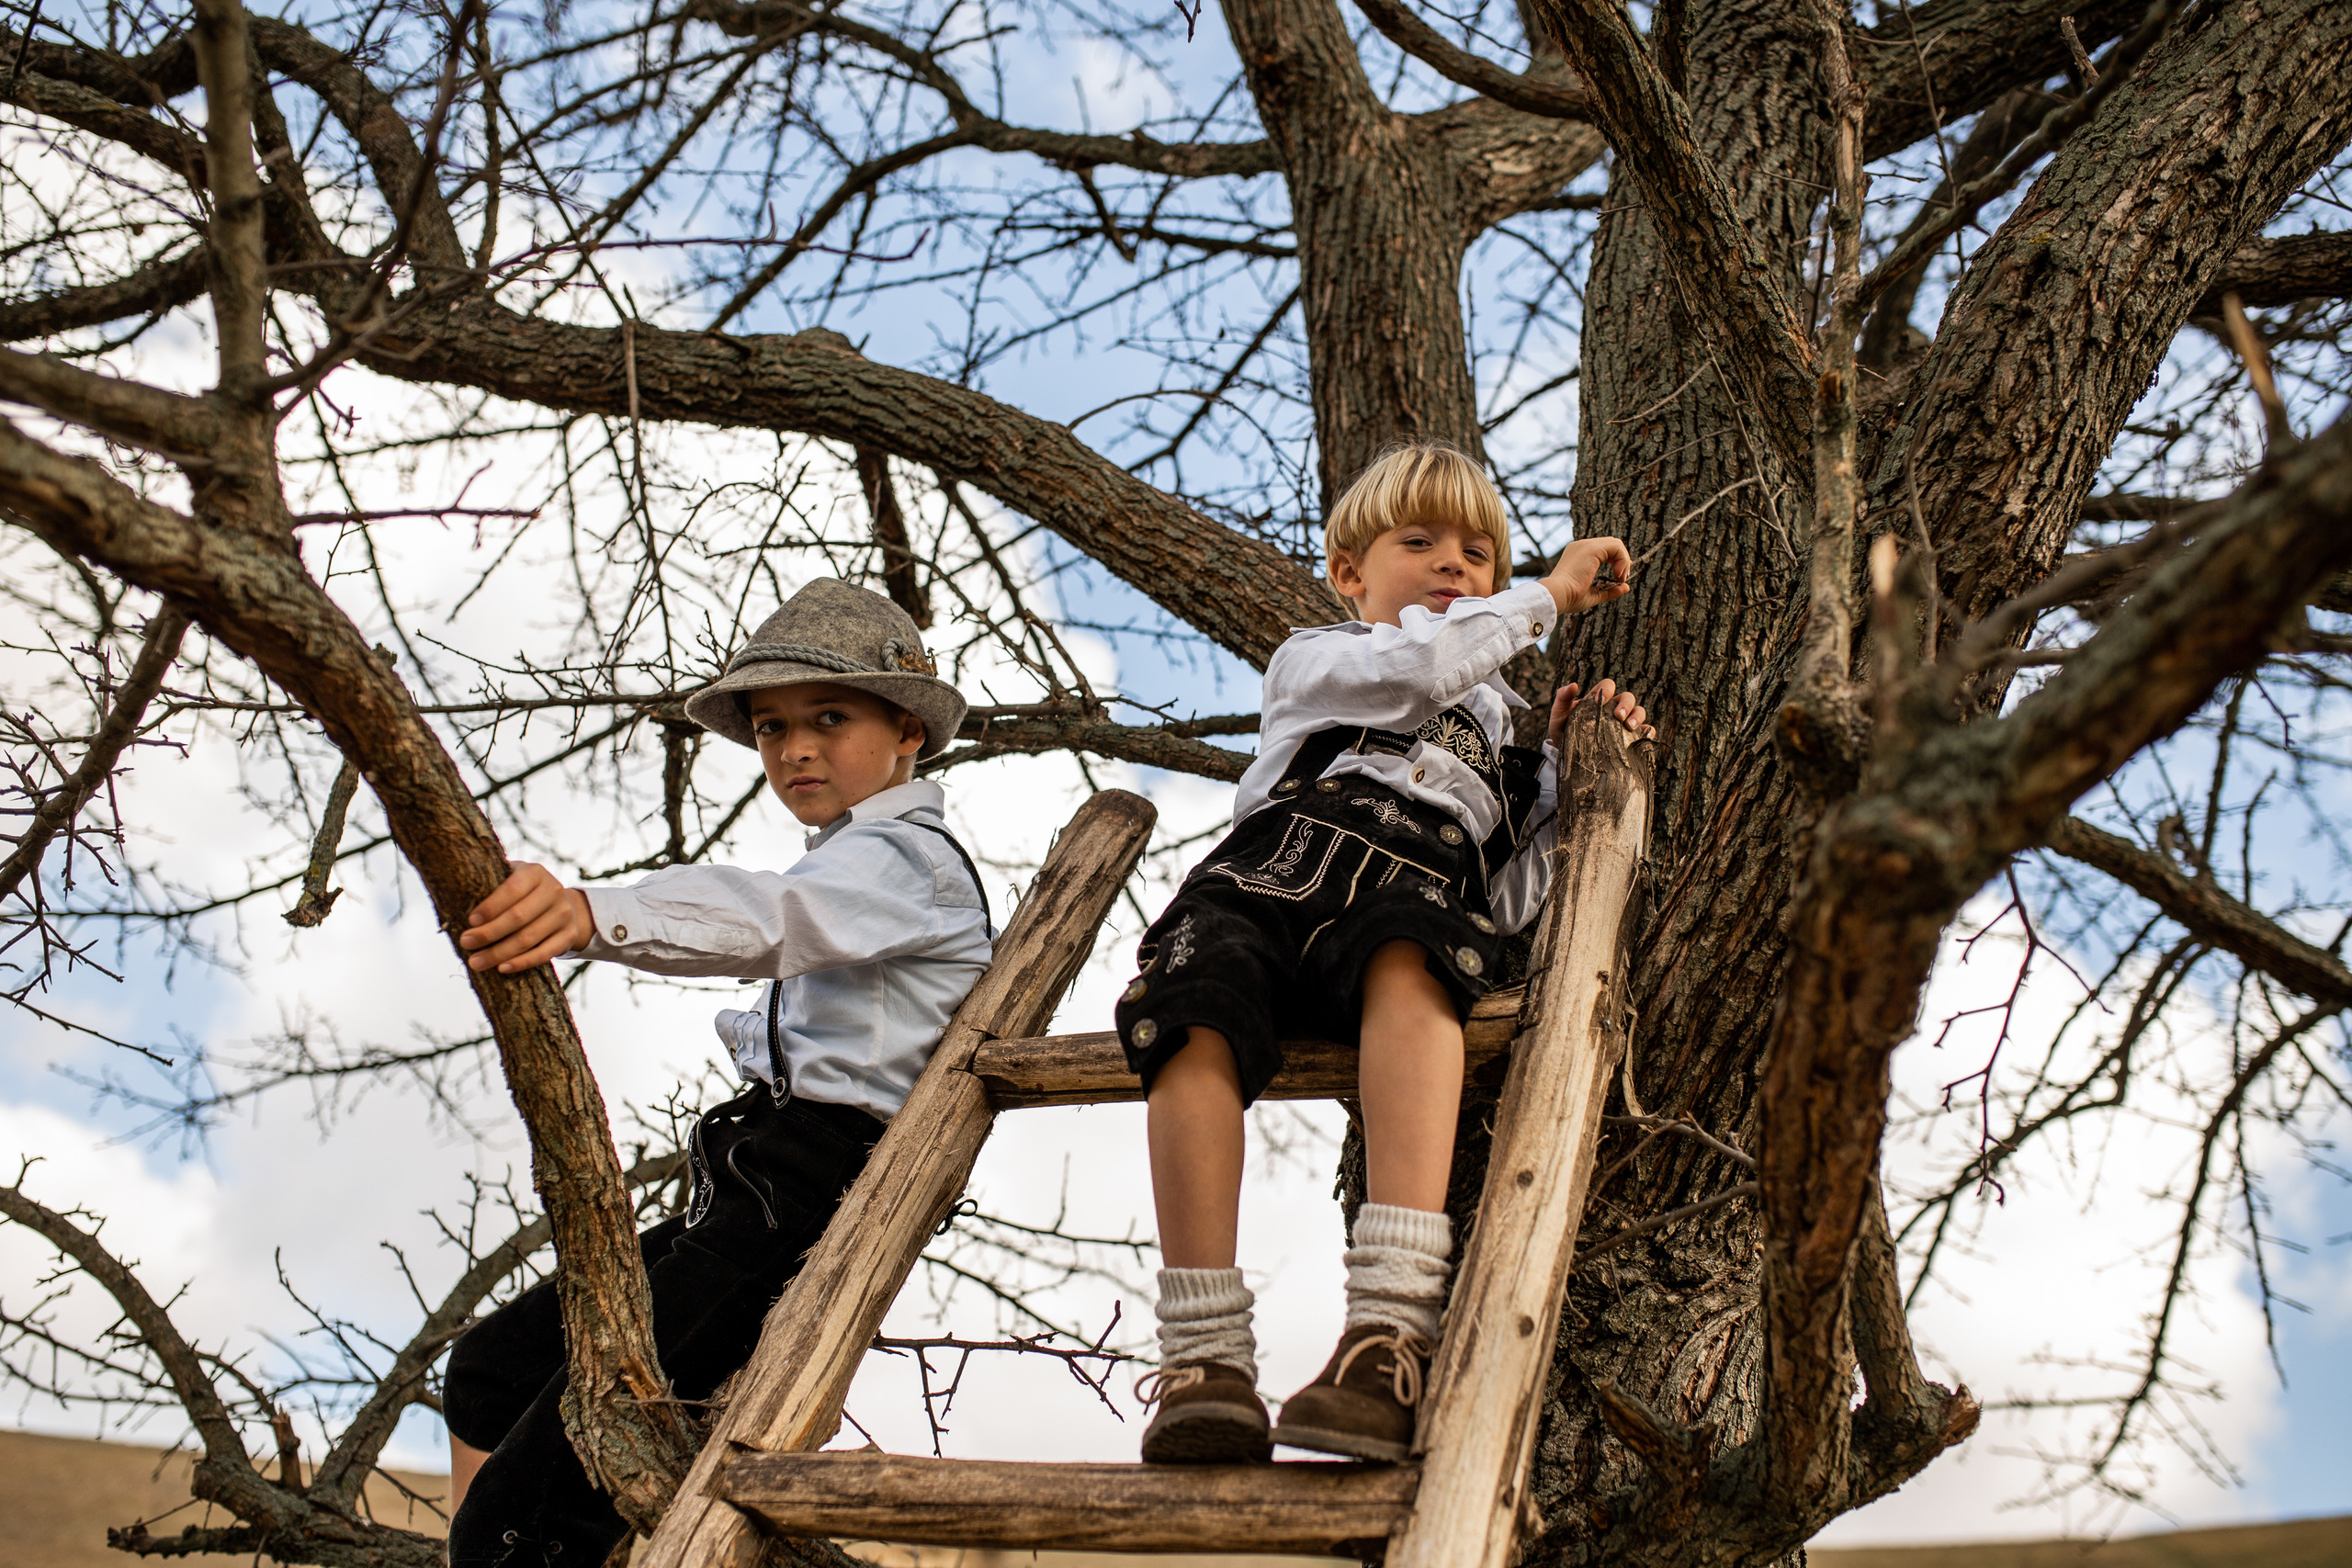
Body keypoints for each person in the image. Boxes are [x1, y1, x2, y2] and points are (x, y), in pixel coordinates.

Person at [1114, 443, 1651, 1466]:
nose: (1456, 563)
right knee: (1189, 1009)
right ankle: (1202, 1356)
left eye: (1480, 553)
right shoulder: (1318, 659)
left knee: (1423, 957)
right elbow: (1421, 666)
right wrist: (1543, 595)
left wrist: (1567, 778)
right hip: (1272, 879)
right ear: (1351, 575)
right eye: (1421, 542)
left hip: (1409, 900)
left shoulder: (1503, 739)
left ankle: (1387, 1331)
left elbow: (1507, 899)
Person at [441, 579, 993, 1566]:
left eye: (829, 718)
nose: (795, 749)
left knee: (525, 1524)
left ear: (908, 729)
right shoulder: (853, 861)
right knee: (487, 1371)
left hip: (801, 1203)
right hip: (741, 1190)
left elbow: (768, 918)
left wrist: (591, 912)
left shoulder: (907, 862)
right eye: (772, 727)